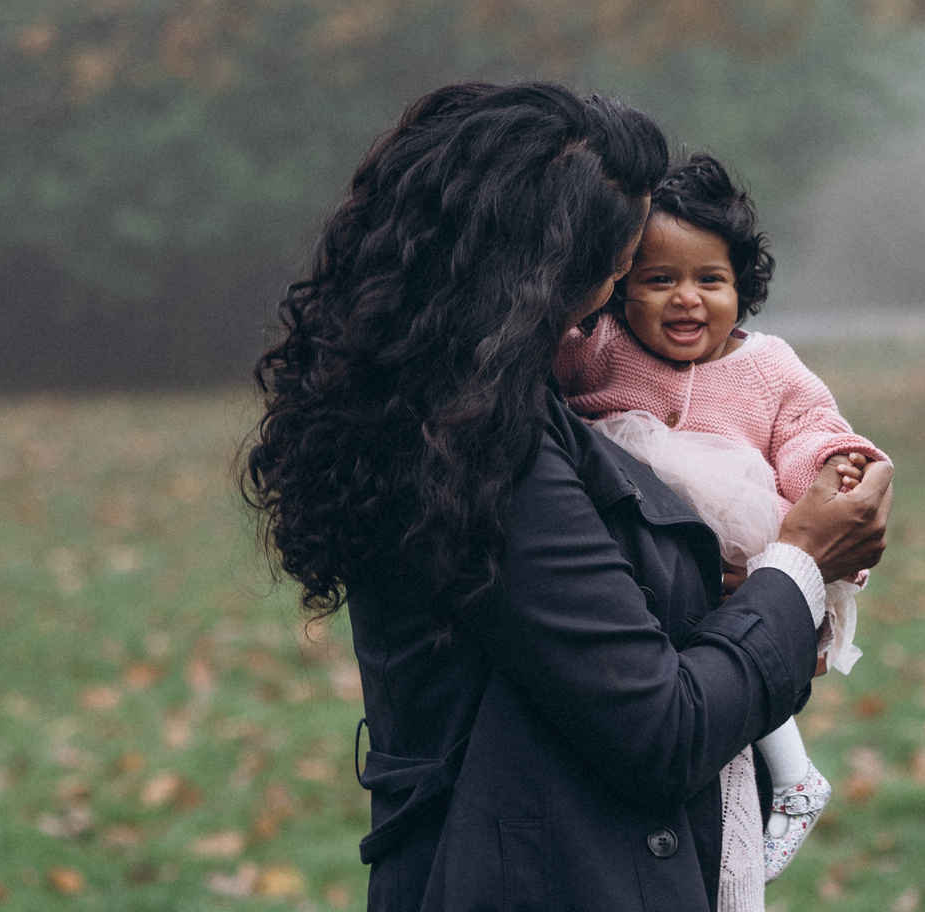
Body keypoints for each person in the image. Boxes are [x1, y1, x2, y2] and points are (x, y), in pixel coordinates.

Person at [239, 83, 890, 912]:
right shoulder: (478, 445)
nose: (612, 307)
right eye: (619, 273)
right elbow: (661, 727)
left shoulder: (455, 402)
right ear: (542, 274)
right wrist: (800, 568)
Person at [552, 153, 885, 878]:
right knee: (674, 677)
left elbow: (807, 429)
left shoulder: (766, 366)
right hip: (637, 550)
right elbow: (534, 367)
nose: (687, 300)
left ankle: (793, 775)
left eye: (711, 280)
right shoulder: (598, 350)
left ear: (743, 287)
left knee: (741, 643)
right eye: (659, 280)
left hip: (739, 544)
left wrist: (837, 464)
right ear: (619, 289)